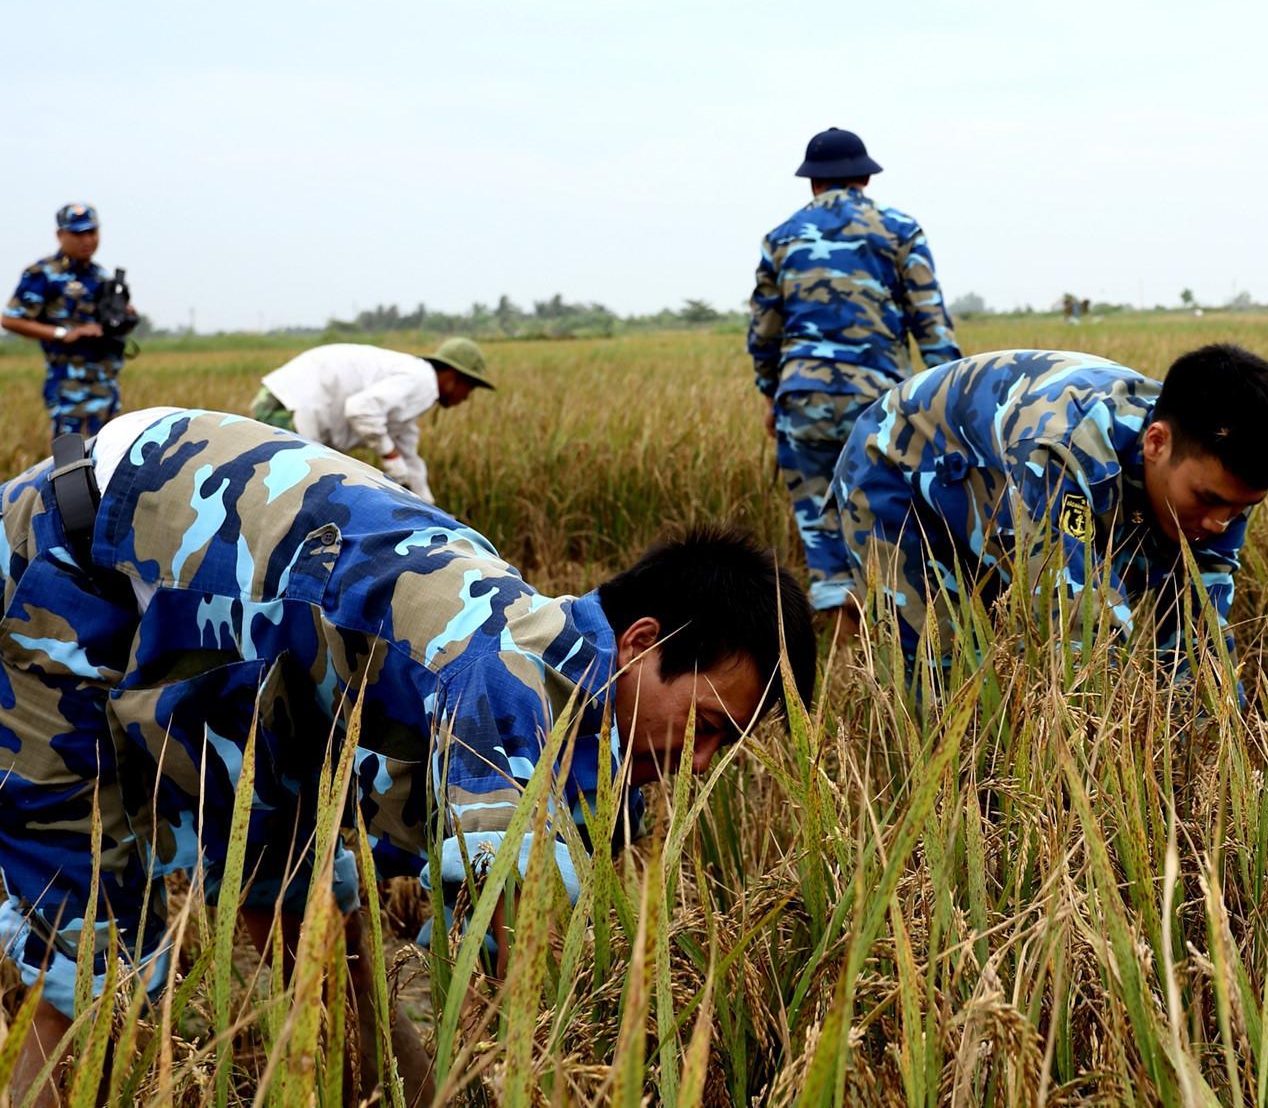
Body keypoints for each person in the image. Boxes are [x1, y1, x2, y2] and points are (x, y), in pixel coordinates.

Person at [0, 408, 815, 1105]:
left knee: (303, 896)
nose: (703, 761)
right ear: (641, 644)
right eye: (706, 723)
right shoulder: (496, 663)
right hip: (65, 563)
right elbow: (522, 939)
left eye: (728, 744)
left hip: (239, 669)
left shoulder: (570, 690)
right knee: (89, 962)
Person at [830, 344, 1268, 674]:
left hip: (998, 484)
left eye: (1242, 509)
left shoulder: (1221, 481)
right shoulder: (1063, 450)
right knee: (940, 671)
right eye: (1211, 502)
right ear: (1157, 443)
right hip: (898, 469)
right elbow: (1080, 632)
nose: (1221, 524)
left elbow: (1200, 631)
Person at [748, 127, 962, 613]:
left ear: (812, 184)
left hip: (802, 400)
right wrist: (949, 404)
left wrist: (769, 396)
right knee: (889, 518)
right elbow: (930, 324)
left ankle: (843, 641)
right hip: (880, 402)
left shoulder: (781, 238)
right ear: (866, 176)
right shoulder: (900, 229)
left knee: (818, 521)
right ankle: (894, 638)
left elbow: (764, 332)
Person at [250, 337, 491, 505]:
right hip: (285, 405)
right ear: (453, 378)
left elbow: (408, 453)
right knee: (294, 496)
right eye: (468, 390)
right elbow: (360, 409)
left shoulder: (417, 386)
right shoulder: (422, 381)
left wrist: (428, 504)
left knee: (304, 489)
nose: (465, 399)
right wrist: (389, 455)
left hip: (286, 399)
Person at [2, 203, 137, 438]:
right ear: (60, 235)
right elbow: (11, 319)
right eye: (77, 233)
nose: (86, 240)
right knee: (71, 466)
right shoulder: (43, 273)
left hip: (106, 385)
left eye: (92, 232)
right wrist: (63, 334)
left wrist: (124, 318)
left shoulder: (101, 276)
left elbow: (108, 327)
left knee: (105, 461)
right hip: (70, 388)